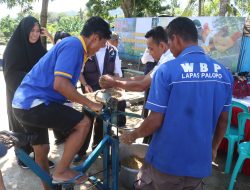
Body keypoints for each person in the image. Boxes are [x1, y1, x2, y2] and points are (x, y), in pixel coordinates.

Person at [120, 17, 233, 190]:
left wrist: (133, 135)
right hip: (199, 164)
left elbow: (155, 121)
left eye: (169, 42)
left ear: (176, 39)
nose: (169, 49)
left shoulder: (167, 70)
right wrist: (214, 148)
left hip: (167, 163)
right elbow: (223, 120)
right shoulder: (224, 74)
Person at [12, 16, 111, 190]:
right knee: (84, 123)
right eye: (102, 45)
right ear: (95, 37)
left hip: (23, 104)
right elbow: (61, 85)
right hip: (34, 104)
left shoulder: (75, 47)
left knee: (41, 152)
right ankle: (62, 171)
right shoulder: (74, 46)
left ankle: (49, 187)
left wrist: (75, 101)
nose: (99, 49)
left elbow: (61, 87)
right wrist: (90, 103)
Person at [2, 16, 54, 169]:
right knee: (21, 129)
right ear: (24, 31)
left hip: (37, 97)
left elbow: (50, 61)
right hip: (19, 96)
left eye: (38, 31)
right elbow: (10, 75)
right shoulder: (13, 49)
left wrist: (50, 36)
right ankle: (23, 157)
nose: (35, 34)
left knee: (39, 127)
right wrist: (35, 79)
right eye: (32, 30)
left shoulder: (38, 47)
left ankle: (40, 157)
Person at [74, 33, 123, 163]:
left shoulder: (113, 51)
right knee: (87, 119)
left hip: (107, 92)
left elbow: (117, 71)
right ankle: (81, 151)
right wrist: (85, 84)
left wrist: (118, 85)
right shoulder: (87, 50)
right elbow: (79, 71)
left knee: (103, 120)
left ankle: (98, 147)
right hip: (90, 91)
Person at [99, 26, 174, 92]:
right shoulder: (165, 58)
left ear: (162, 46)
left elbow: (142, 85)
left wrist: (114, 82)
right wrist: (116, 80)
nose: (150, 53)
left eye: (151, 49)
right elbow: (144, 78)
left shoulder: (167, 61)